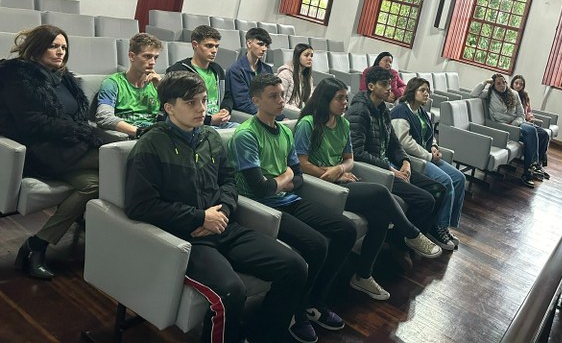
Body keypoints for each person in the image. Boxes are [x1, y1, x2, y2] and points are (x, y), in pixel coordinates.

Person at [125, 71, 307, 343]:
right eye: (191, 103)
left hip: (223, 225)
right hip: (185, 238)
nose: (201, 108)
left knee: (294, 266)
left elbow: (229, 181)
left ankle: (264, 334)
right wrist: (199, 217)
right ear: (169, 108)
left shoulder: (210, 136)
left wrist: (222, 212)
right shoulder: (151, 145)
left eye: (203, 100)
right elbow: (140, 206)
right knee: (231, 292)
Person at [228, 74, 354, 343]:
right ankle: (296, 312)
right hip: (261, 209)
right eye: (273, 96)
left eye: (282, 95)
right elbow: (261, 189)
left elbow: (298, 178)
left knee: (346, 229)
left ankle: (313, 300)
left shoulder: (285, 131)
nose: (280, 100)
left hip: (288, 200)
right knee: (317, 245)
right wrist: (284, 177)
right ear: (256, 100)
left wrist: (282, 181)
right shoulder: (246, 135)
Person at [295, 78, 441, 301]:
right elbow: (301, 162)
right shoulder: (308, 124)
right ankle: (411, 233)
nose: (345, 103)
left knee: (381, 217)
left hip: (341, 181)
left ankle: (363, 276)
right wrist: (331, 172)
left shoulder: (343, 124)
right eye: (340, 98)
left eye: (346, 98)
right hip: (321, 186)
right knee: (380, 192)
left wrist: (340, 169)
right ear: (325, 100)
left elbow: (349, 159)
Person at [0, 25, 102, 280]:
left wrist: (78, 132)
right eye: (53, 46)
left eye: (64, 47)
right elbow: (32, 123)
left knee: (94, 184)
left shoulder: (63, 78)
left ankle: (36, 245)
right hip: (39, 151)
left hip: (68, 150)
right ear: (37, 47)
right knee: (118, 161)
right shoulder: (17, 74)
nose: (60, 52)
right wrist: (82, 133)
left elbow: (76, 117)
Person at [347, 65, 446, 270]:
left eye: (390, 84)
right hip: (376, 172)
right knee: (425, 199)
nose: (389, 89)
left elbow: (394, 143)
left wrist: (405, 161)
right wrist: (391, 170)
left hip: (391, 166)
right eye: (384, 85)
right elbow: (357, 152)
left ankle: (405, 239)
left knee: (439, 190)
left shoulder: (383, 109)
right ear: (371, 86)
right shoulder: (360, 110)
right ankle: (400, 241)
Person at [391, 78, 466, 251]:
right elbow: (404, 142)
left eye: (428, 90)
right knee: (446, 181)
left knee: (459, 178)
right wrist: (428, 155)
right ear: (412, 91)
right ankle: (436, 227)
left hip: (427, 155)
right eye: (422, 90)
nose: (426, 94)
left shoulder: (422, 112)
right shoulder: (401, 111)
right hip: (412, 158)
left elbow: (430, 135)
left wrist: (434, 147)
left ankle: (445, 225)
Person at [470, 74, 549, 188]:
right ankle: (529, 171)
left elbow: (521, 114)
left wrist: (515, 124)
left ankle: (537, 165)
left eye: (504, 82)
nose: (502, 85)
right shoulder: (489, 94)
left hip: (516, 123)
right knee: (531, 131)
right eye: (498, 83)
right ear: (493, 85)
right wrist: (485, 82)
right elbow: (473, 94)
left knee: (544, 134)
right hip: (503, 125)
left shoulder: (514, 94)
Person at [167, 25, 236, 128]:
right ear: (195, 45)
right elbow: (178, 107)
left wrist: (226, 109)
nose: (214, 50)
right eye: (209, 46)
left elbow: (227, 95)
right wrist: (210, 119)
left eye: (216, 46)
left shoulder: (218, 70)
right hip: (195, 126)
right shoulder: (179, 70)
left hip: (220, 122)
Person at [95, 32, 162, 138]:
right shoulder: (113, 83)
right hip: (129, 135)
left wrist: (162, 88)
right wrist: (139, 132)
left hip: (154, 135)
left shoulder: (157, 83)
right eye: (147, 56)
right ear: (132, 56)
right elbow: (103, 117)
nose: (153, 62)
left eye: (156, 57)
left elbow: (175, 115)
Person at [226, 27, 273, 115]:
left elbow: (272, 97)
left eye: (266, 45)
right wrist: (269, 114)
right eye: (260, 44)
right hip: (249, 116)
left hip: (266, 113)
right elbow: (243, 103)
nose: (264, 49)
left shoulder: (267, 69)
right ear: (249, 43)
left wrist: (280, 116)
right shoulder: (236, 70)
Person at [511, 74, 551, 169]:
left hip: (525, 121)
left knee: (544, 134)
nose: (518, 86)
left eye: (521, 84)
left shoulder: (524, 96)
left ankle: (539, 161)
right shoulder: (509, 94)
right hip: (516, 122)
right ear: (512, 83)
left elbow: (528, 111)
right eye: (516, 83)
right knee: (532, 134)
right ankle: (533, 165)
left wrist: (530, 117)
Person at [277, 43, 314, 114]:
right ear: (298, 56)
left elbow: (310, 100)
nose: (310, 58)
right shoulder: (285, 74)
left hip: (298, 112)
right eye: (306, 55)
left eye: (311, 56)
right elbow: (279, 102)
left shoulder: (308, 77)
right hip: (285, 113)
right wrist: (300, 112)